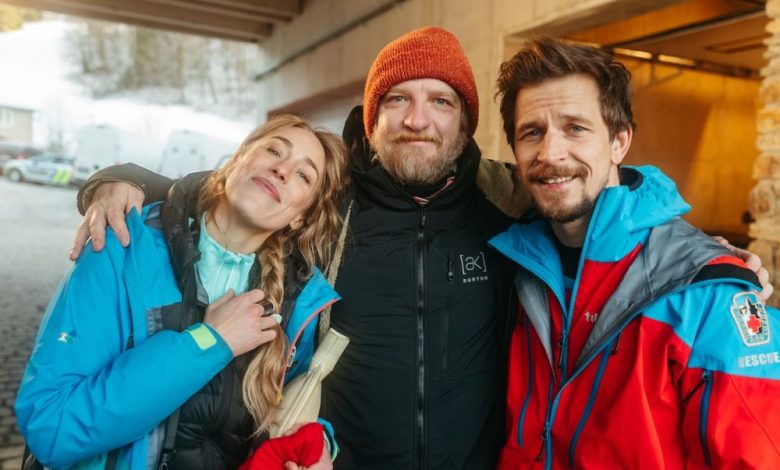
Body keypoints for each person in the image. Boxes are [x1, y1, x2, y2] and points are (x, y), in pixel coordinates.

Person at [67, 27, 771, 469]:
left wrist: (700, 261)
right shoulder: (326, 203)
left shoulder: (508, 204)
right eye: (398, 100)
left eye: (441, 101)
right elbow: (236, 193)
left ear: (465, 126)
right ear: (372, 119)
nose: (417, 119)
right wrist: (123, 181)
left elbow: (598, 210)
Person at [490, 37, 780, 468]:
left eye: (575, 128)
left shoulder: (707, 291)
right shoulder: (515, 266)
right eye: (532, 132)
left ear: (619, 142)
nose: (550, 153)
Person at [15, 115, 349, 470]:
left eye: (303, 175)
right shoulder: (122, 246)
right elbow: (52, 426)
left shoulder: (296, 305)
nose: (282, 170)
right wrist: (209, 341)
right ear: (237, 159)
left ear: (300, 217)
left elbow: (291, 418)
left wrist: (316, 446)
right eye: (274, 151)